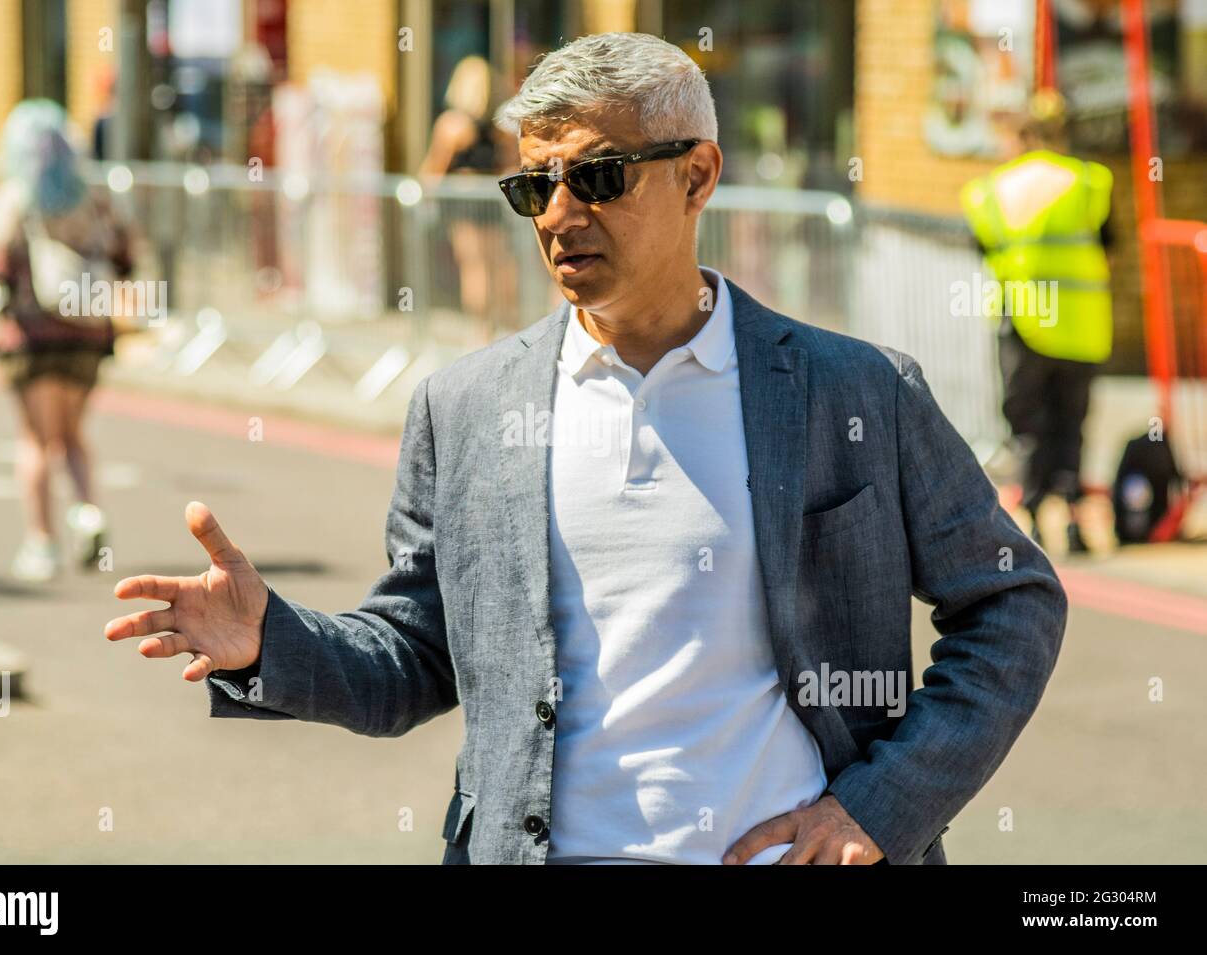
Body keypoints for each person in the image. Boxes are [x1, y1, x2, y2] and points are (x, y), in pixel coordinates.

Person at [106, 33, 1067, 865]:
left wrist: (876, 807)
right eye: (535, 186)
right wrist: (270, 639)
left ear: (697, 175)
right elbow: (417, 654)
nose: (561, 217)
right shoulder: (466, 407)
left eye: (599, 177)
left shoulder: (856, 391)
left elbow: (1010, 603)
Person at [0, 100, 135, 581]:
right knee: (73, 435)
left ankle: (41, 542)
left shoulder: (15, 198)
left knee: (37, 441)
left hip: (33, 335)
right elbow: (127, 254)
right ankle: (89, 514)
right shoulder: (96, 195)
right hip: (88, 332)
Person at [960, 89, 1115, 553]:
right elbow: (1110, 246)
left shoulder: (991, 189)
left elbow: (984, 249)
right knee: (1071, 423)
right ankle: (1069, 519)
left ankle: (1025, 518)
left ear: (1023, 134)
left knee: (1026, 424)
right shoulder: (1090, 182)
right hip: (1083, 326)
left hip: (1024, 324)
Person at [419, 55, 518, 343]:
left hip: (466, 204)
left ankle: (480, 330)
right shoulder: (499, 128)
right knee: (499, 264)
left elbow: (434, 169)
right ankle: (506, 324)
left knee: (475, 268)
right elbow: (508, 165)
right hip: (491, 200)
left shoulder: (452, 125)